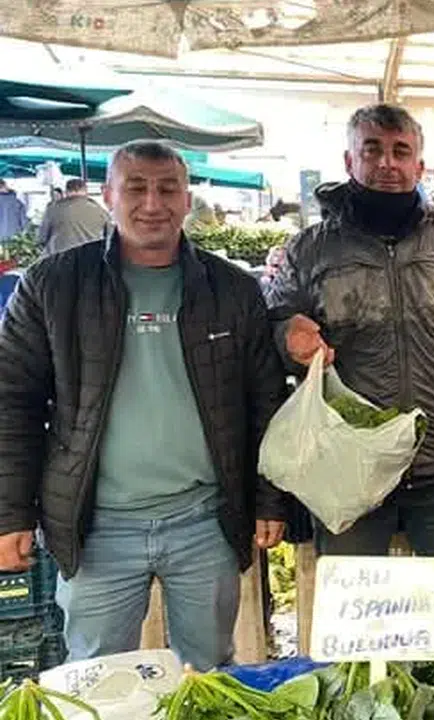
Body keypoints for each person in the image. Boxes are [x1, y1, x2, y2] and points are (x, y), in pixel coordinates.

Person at [0, 141, 289, 669]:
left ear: (186, 200)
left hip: (204, 520)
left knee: (208, 674)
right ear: (108, 196)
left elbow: (265, 399)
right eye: (135, 188)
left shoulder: (231, 289)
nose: (152, 203)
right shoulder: (53, 285)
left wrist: (269, 501)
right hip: (96, 528)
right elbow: (12, 401)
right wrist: (10, 512)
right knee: (97, 676)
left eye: (167, 189)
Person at [264, 103, 434, 561]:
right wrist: (286, 333)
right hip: (349, 465)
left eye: (401, 151)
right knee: (354, 600)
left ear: (419, 166)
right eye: (372, 150)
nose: (387, 163)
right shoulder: (310, 251)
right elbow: (271, 326)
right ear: (349, 160)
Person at [37, 178, 112, 256]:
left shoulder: (52, 209)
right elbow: (110, 237)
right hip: (91, 258)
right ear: (86, 191)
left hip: (59, 259)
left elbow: (42, 238)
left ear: (66, 192)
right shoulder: (100, 211)